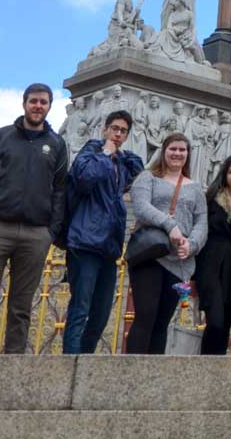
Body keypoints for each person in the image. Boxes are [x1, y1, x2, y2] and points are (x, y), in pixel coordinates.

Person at [0, 83, 68, 354]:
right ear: (24, 104)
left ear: (49, 106)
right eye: (33, 101)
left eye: (43, 102)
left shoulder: (56, 144)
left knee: (21, 308)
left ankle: (13, 369)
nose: (38, 106)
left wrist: (51, 231)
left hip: (36, 234)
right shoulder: (2, 137)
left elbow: (60, 190)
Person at [62, 108, 144, 355]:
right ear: (105, 129)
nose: (118, 135)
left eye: (123, 131)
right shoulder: (90, 152)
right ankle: (70, 365)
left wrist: (122, 156)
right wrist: (105, 154)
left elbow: (139, 175)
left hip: (109, 245)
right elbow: (85, 179)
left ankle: (84, 360)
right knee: (80, 309)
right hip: (85, 241)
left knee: (101, 314)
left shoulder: (121, 160)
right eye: (115, 129)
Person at [127, 133, 207, 354]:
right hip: (150, 255)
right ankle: (129, 373)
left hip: (178, 260)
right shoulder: (147, 177)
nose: (177, 153)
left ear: (188, 155)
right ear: (164, 151)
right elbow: (141, 207)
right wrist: (169, 225)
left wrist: (191, 245)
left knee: (162, 322)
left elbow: (201, 222)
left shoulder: (195, 188)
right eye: (173, 149)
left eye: (182, 150)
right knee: (145, 315)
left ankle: (153, 375)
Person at [195, 154, 231, 355]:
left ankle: (217, 369)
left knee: (227, 321)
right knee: (216, 321)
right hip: (211, 263)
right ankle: (205, 364)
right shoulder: (211, 198)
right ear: (224, 174)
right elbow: (200, 230)